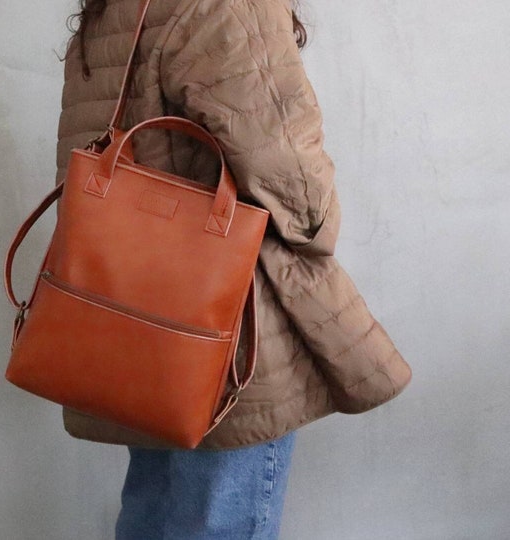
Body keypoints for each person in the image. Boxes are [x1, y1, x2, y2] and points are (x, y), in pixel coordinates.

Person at [55, 0, 411, 538]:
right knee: (218, 517)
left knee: (154, 514)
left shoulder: (117, 8)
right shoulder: (229, 6)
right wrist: (317, 228)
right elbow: (289, 172)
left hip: (140, 319)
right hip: (226, 330)